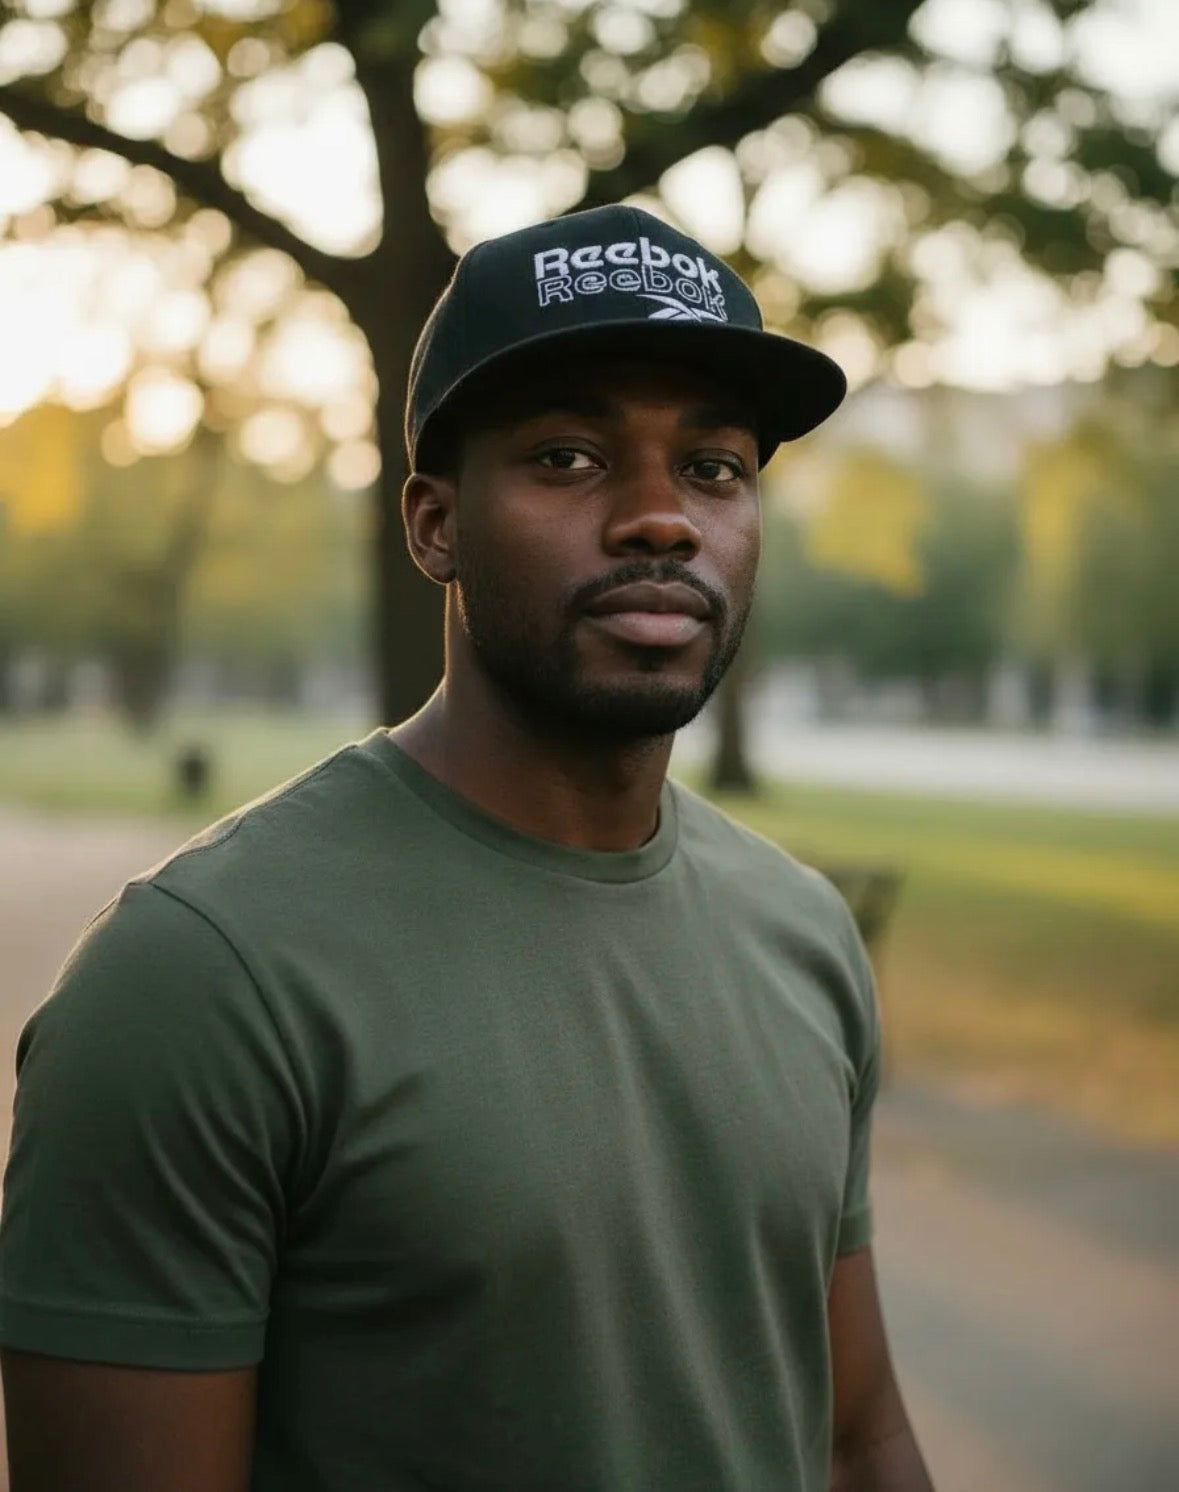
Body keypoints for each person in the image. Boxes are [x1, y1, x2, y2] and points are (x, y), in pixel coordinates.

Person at [0, 204, 934, 1492]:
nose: (662, 519)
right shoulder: (199, 982)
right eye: (568, 458)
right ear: (433, 525)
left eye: (714, 467)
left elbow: (856, 1434)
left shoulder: (804, 934)